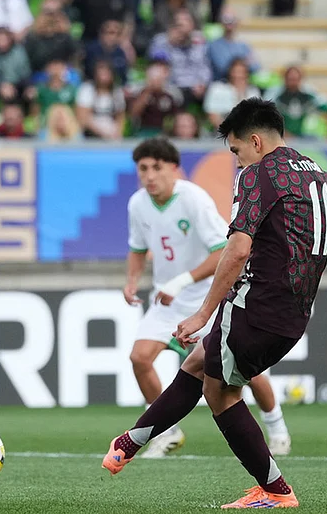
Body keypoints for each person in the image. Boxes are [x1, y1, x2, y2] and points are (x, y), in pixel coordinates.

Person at [102, 98, 327, 508]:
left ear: (255, 141)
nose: (236, 161)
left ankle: (275, 490)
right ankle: (130, 441)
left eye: (235, 151)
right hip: (294, 313)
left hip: (256, 303)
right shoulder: (319, 175)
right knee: (199, 364)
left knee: (220, 392)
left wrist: (202, 311)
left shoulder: (257, 175)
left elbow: (235, 250)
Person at [123, 136, 293, 458]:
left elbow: (223, 252)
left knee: (248, 370)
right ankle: (168, 432)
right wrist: (131, 281)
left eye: (157, 168)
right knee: (140, 358)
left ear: (175, 169)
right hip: (167, 302)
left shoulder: (194, 199)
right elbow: (137, 248)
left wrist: (182, 281)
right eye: (143, 169)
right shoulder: (137, 203)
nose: (149, 176)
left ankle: (278, 428)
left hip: (207, 299)